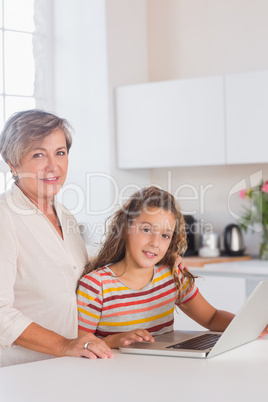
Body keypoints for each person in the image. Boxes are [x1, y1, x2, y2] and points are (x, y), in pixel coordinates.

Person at [0, 109, 113, 367]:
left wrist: (157, 263)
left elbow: (77, 280)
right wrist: (64, 345)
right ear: (13, 164)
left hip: (68, 367)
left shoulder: (65, 215)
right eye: (38, 154)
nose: (54, 166)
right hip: (21, 374)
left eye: (60, 153)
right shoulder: (4, 217)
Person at [77, 186, 236, 349]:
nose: (155, 242)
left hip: (162, 370)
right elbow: (80, 345)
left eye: (165, 235)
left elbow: (211, 317)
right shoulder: (96, 286)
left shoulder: (172, 276)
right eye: (146, 230)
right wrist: (114, 341)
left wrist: (251, 326)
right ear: (125, 229)